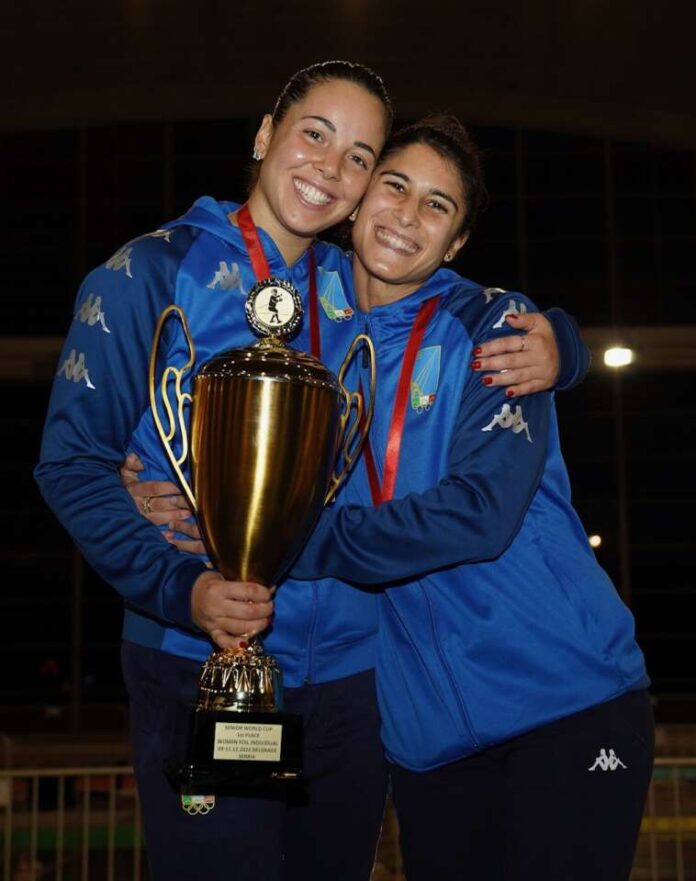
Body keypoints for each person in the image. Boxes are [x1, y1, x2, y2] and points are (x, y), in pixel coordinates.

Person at [36, 60, 587, 881]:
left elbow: (473, 308)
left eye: (359, 157)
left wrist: (562, 344)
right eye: (315, 135)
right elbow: (72, 464)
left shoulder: (357, 284)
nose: (331, 168)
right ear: (266, 134)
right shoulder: (147, 272)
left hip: (354, 681)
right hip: (198, 652)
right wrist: (180, 587)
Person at [283, 116, 652, 881]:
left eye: (437, 205)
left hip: (564, 700)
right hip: (428, 742)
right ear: (358, 198)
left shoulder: (490, 326)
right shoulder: (303, 327)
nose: (407, 215)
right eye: (395, 186)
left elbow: (479, 513)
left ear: (454, 243)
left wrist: (290, 538)